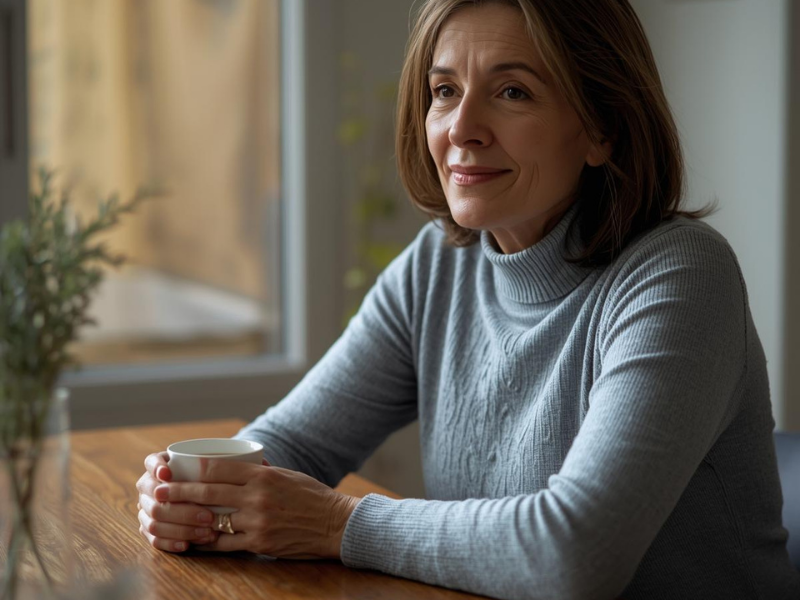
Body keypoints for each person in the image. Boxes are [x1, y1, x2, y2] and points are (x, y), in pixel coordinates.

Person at [135, 0, 800, 598]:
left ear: (602, 128)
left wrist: (337, 523)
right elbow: (291, 443)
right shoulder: (438, 265)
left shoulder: (680, 276)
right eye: (444, 91)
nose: (463, 128)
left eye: (512, 91)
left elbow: (576, 554)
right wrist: (192, 494)